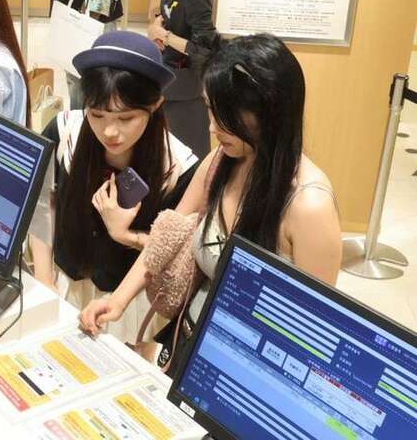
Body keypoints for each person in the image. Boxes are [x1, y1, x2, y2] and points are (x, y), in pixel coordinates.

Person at [79, 35, 342, 365]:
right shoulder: (221, 161)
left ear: (273, 112)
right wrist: (117, 300)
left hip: (252, 363)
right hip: (191, 340)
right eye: (210, 110)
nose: (214, 128)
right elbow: (168, 235)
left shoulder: (308, 206)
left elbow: (315, 329)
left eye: (228, 118)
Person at [28, 31, 198, 347]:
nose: (110, 131)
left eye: (127, 118)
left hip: (130, 301)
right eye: (97, 114)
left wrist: (126, 236)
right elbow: (42, 202)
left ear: (156, 104)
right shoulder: (67, 131)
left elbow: (179, 256)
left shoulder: (178, 166)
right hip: (64, 282)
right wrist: (43, 277)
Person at [146, 0, 219, 158]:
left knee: (186, 160)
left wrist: (163, 36)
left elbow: (204, 49)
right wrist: (156, 22)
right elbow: (168, 12)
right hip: (167, 79)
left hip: (185, 90)